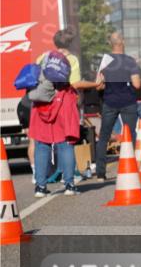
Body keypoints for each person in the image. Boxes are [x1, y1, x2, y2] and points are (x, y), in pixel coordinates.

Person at [29, 29, 101, 197]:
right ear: (70, 43)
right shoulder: (71, 60)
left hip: (43, 103)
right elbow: (74, 83)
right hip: (63, 104)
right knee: (65, 144)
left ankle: (40, 186)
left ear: (55, 42)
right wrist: (94, 84)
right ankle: (69, 185)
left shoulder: (44, 57)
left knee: (42, 145)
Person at [94, 31, 141, 181]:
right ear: (123, 42)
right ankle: (131, 167)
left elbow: (98, 86)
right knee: (130, 135)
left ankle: (100, 173)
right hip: (128, 102)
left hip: (109, 102)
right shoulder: (129, 61)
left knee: (104, 137)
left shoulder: (105, 61)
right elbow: (137, 84)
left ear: (110, 43)